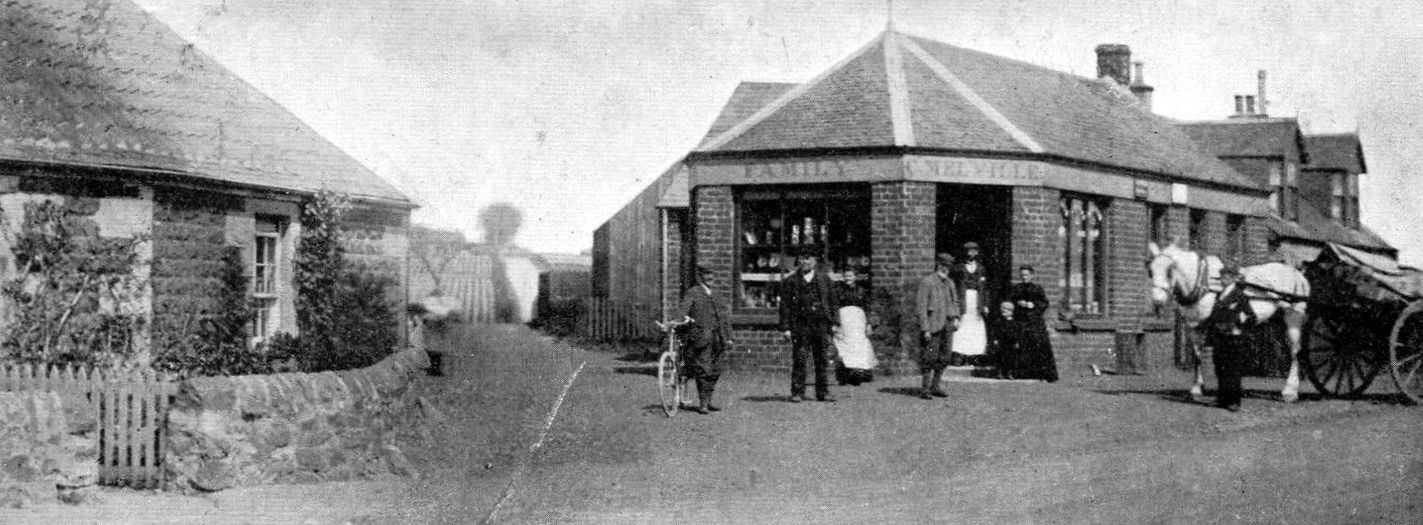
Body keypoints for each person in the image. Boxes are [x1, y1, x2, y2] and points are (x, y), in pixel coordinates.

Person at [779, 253, 840, 403]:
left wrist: (835, 323)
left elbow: (833, 302)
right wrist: (786, 328)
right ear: (798, 261)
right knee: (800, 358)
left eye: (809, 258)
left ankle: (823, 392)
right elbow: (785, 306)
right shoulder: (791, 281)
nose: (806, 262)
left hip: (820, 324)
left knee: (822, 359)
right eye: (802, 258)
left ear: (815, 261)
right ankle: (797, 392)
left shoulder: (824, 279)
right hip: (801, 325)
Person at [675, 264, 735, 414]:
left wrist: (729, 337)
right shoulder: (693, 293)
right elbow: (683, 312)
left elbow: (725, 318)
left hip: (718, 337)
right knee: (704, 369)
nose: (709, 278)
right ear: (701, 276)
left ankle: (708, 399)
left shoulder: (717, 294)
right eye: (706, 275)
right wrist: (682, 320)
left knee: (716, 369)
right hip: (701, 337)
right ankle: (703, 403)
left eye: (711, 275)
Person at [1204, 263, 1255, 412]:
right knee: (1220, 368)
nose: (1223, 280)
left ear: (1233, 279)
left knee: (1232, 370)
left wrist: (1237, 326)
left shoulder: (1240, 295)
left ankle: (1234, 401)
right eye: (1222, 277)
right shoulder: (1219, 295)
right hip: (1219, 337)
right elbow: (1214, 316)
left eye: (1227, 277)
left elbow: (1250, 315)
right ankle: (1221, 399)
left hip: (1233, 338)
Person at [914, 253, 961, 399]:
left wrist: (957, 317)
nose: (945, 269)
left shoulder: (950, 283)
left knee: (945, 357)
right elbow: (921, 307)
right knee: (930, 357)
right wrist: (925, 328)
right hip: (933, 324)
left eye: (948, 266)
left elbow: (955, 302)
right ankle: (925, 389)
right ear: (937, 265)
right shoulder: (927, 282)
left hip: (948, 324)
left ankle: (936, 386)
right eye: (943, 265)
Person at [1006, 265, 1058, 382]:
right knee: (1020, 347)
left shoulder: (1037, 289)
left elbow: (1044, 303)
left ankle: (1041, 374)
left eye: (1026, 275)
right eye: (1022, 275)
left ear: (1032, 275)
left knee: (1039, 346)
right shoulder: (1016, 288)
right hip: (1020, 321)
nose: (1024, 277)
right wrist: (1018, 303)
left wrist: (1033, 305)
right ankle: (1020, 374)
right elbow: (1010, 302)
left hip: (1035, 322)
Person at [833, 270, 877, 386]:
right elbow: (834, 306)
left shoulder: (861, 290)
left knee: (858, 345)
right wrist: (835, 323)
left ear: (855, 277)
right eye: (846, 276)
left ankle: (857, 374)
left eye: (850, 276)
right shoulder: (837, 290)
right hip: (843, 321)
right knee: (843, 346)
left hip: (858, 321)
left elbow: (867, 307)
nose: (848, 278)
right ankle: (843, 375)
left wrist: (868, 324)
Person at [950, 242, 990, 366]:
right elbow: (953, 287)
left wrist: (986, 304)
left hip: (977, 301)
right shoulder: (958, 268)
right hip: (963, 300)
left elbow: (986, 289)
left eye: (973, 251)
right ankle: (959, 355)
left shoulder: (981, 268)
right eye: (968, 251)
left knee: (976, 328)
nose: (971, 253)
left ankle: (975, 355)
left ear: (977, 252)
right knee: (962, 326)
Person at [990, 301, 1019, 379]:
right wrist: (995, 339)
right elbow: (995, 331)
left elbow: (1016, 333)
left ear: (1011, 312)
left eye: (1006, 311)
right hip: (1002, 343)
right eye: (1002, 311)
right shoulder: (999, 322)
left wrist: (1016, 342)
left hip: (1010, 344)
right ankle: (999, 373)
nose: (1004, 312)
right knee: (1000, 358)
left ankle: (1009, 373)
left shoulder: (1013, 323)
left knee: (1010, 359)